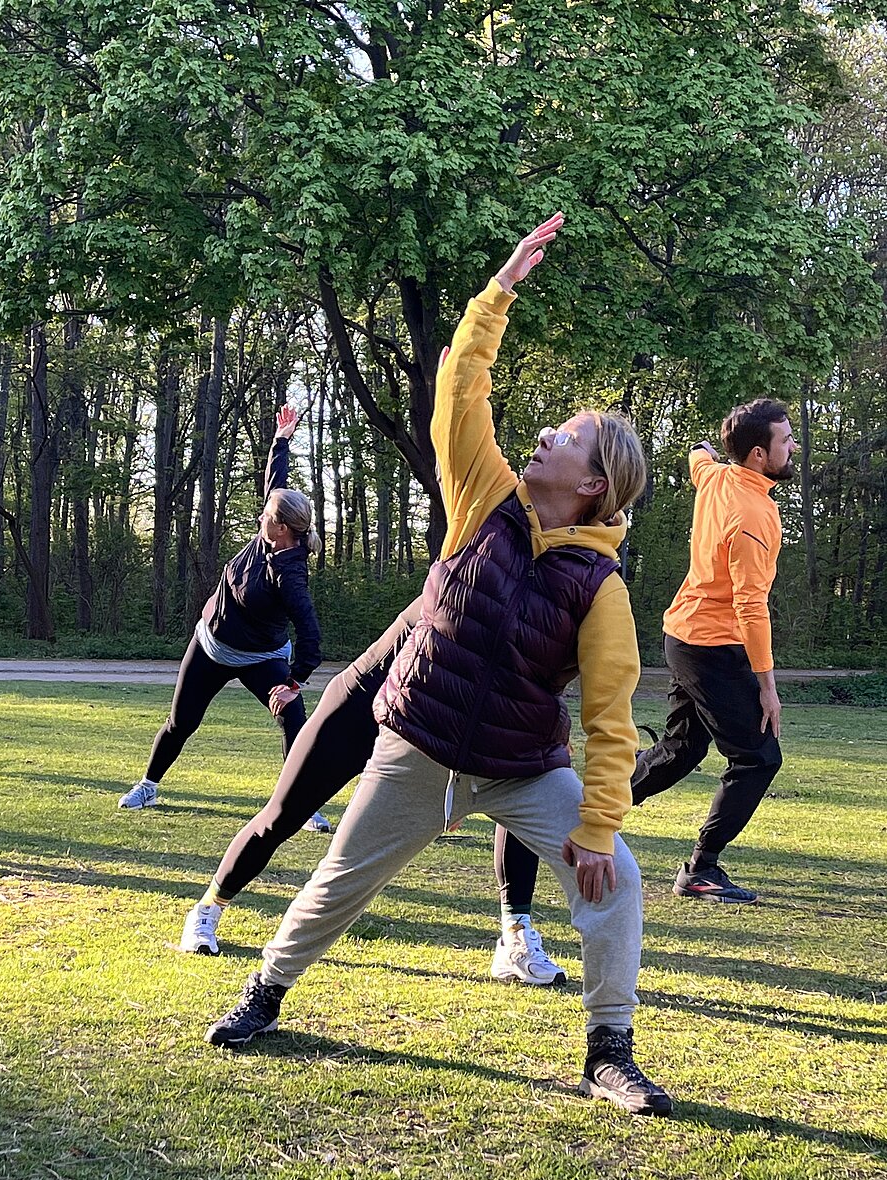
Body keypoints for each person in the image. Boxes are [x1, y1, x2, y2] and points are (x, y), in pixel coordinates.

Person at [204, 214, 672, 1117]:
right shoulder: (483, 499)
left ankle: (607, 1049)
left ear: (594, 485)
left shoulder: (600, 587)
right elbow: (462, 385)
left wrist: (601, 826)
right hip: (416, 745)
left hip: (521, 767)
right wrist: (498, 291)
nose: (543, 437)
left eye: (565, 437)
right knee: (339, 879)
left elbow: (611, 720)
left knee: (618, 885)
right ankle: (266, 993)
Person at [178, 595, 568, 987]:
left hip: (431, 730)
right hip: (362, 703)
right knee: (282, 816)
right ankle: (209, 907)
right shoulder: (474, 560)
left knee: (524, 786)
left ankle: (515, 935)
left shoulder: (559, 595)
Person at [118, 404, 327, 830]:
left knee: (294, 718)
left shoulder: (289, 575)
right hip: (211, 646)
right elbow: (276, 483)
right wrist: (281, 439)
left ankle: (300, 807)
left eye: (267, 517)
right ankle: (148, 785)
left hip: (260, 657)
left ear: (284, 528)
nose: (260, 518)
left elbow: (312, 638)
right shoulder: (272, 532)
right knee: (181, 723)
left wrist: (292, 683)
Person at [630, 402, 796, 904]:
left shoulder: (718, 477)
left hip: (686, 637)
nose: (794, 448)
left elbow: (696, 456)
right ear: (758, 455)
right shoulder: (750, 516)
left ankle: (585, 811)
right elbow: (751, 605)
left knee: (682, 750)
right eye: (786, 442)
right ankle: (701, 869)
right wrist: (768, 688)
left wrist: (705, 449)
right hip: (711, 647)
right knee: (758, 757)